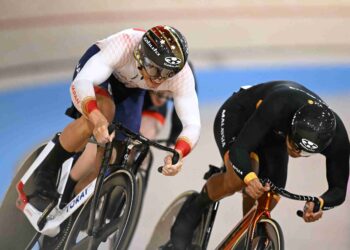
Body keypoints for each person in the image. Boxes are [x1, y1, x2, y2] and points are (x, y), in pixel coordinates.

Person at [162, 81, 349, 249]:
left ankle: (247, 236)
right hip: (241, 114)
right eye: (295, 145)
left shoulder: (337, 137)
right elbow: (240, 149)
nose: (297, 153)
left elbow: (339, 189)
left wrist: (321, 203)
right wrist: (249, 177)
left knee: (269, 196)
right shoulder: (280, 104)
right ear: (292, 127)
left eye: (306, 153)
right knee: (238, 180)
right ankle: (197, 205)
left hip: (276, 134)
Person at [30, 25, 201, 211]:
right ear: (141, 56)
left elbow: (192, 124)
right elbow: (82, 82)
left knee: (115, 157)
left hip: (132, 87)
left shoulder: (180, 75)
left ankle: (71, 208)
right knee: (104, 112)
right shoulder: (124, 45)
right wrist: (96, 117)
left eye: (167, 74)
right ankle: (47, 170)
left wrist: (179, 152)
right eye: (155, 71)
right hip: (101, 73)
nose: (159, 80)